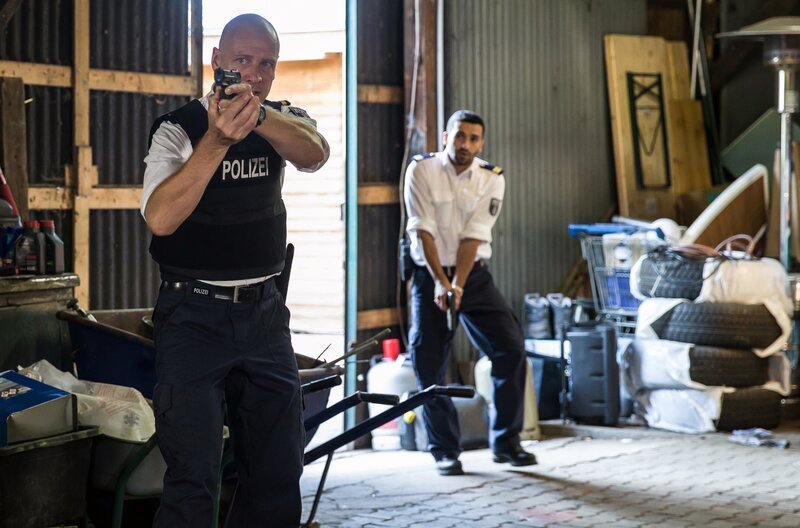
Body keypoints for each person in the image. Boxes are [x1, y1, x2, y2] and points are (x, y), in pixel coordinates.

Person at [141, 14, 329, 527]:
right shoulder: (178, 129)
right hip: (192, 317)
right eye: (243, 61)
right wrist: (219, 141)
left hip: (265, 318)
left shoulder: (282, 120)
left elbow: (316, 152)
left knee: (275, 477)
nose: (254, 75)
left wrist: (257, 117)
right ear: (217, 62)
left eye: (266, 65)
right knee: (193, 481)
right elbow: (160, 217)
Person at [404, 109, 536, 476]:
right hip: (429, 272)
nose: (465, 144)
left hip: (472, 275)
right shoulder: (422, 169)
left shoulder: (491, 178)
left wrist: (458, 285)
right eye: (459, 136)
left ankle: (507, 444)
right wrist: (441, 283)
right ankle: (445, 450)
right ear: (446, 137)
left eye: (473, 139)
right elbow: (422, 231)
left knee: (510, 348)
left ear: (482, 143)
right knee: (429, 363)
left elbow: (473, 237)